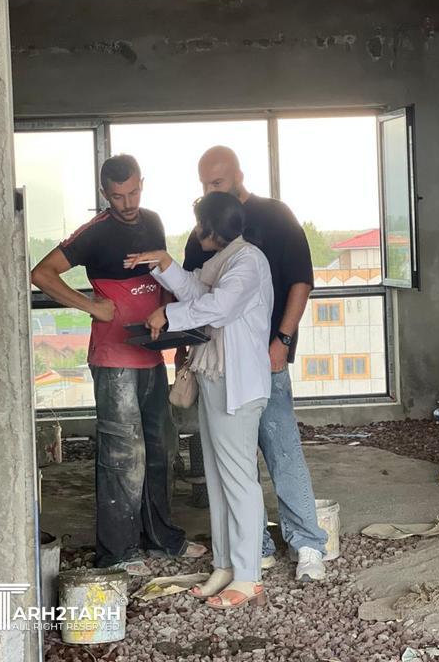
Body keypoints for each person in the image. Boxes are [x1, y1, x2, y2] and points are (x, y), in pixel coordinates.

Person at [31, 154, 205, 575]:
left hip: (151, 352)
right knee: (122, 454)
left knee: (161, 447)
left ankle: (161, 538)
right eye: (117, 196)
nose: (127, 203)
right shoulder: (95, 233)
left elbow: (162, 280)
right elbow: (42, 273)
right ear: (103, 193)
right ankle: (119, 552)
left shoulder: (153, 221)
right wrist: (91, 305)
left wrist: (178, 334)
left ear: (142, 183)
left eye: (133, 192)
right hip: (114, 360)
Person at [182, 146, 328, 582]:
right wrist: (183, 354)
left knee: (282, 448)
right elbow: (192, 295)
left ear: (239, 175)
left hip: (267, 356)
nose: (210, 189)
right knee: (235, 463)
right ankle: (255, 547)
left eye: (217, 182)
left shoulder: (275, 216)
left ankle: (307, 543)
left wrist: (282, 340)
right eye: (204, 183)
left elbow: (300, 281)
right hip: (221, 366)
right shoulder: (204, 230)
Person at [125, 192, 273, 609]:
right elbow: (197, 291)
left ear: (211, 228)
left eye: (199, 224)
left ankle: (248, 575)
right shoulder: (224, 260)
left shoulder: (249, 261)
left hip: (239, 386)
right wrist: (165, 264)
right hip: (216, 380)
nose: (196, 231)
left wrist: (166, 315)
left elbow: (219, 307)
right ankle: (225, 565)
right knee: (218, 477)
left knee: (238, 480)